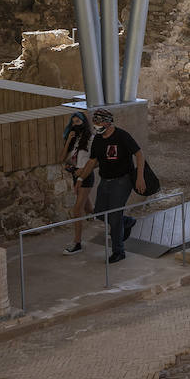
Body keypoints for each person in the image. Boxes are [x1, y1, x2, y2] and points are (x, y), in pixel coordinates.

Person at [74, 108, 146, 264]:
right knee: (100, 213)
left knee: (113, 217)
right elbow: (92, 161)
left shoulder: (122, 136)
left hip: (122, 180)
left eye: (98, 123)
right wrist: (80, 179)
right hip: (105, 180)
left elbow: (139, 154)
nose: (95, 126)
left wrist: (140, 177)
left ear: (107, 122)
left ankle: (118, 251)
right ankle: (126, 221)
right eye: (94, 123)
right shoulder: (98, 139)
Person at [59, 112, 95, 254]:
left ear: (84, 122)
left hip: (86, 176)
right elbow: (62, 158)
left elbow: (94, 161)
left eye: (78, 121)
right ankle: (121, 222)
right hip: (75, 175)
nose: (76, 124)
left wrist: (82, 173)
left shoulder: (90, 139)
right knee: (90, 210)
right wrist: (68, 140)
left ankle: (77, 243)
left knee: (77, 209)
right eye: (73, 122)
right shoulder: (74, 140)